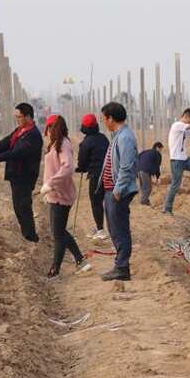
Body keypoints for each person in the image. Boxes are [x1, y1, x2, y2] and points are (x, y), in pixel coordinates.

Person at [41, 115, 92, 277]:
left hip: (61, 196)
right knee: (60, 231)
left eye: (48, 129)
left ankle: (55, 269)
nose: (47, 133)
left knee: (58, 234)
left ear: (52, 128)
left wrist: (51, 183)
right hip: (55, 194)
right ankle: (80, 260)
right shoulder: (57, 144)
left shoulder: (63, 144)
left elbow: (68, 167)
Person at [0, 102, 43, 243]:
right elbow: (5, 143)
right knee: (18, 206)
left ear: (28, 117)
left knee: (23, 205)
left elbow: (18, 152)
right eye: (16, 117)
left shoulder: (33, 135)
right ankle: (27, 235)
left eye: (19, 117)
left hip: (25, 176)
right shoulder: (20, 131)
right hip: (16, 175)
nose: (17, 119)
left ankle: (31, 236)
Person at [99, 102, 139, 281]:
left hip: (118, 191)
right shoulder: (118, 135)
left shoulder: (125, 138)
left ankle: (122, 268)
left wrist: (118, 190)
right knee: (114, 228)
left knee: (119, 229)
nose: (104, 123)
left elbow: (126, 166)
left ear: (111, 118)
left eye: (104, 119)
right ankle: (120, 264)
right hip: (112, 190)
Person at [76, 114, 110, 240]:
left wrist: (81, 168)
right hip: (108, 174)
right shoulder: (103, 138)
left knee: (96, 202)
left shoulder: (86, 142)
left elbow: (82, 162)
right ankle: (101, 226)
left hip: (96, 176)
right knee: (106, 201)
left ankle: (101, 230)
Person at [137, 142, 164, 206]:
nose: (161, 151)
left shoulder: (144, 152)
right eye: (160, 149)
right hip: (145, 171)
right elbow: (157, 166)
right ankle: (143, 202)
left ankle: (145, 202)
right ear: (157, 147)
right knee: (148, 188)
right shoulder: (157, 154)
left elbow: (137, 158)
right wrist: (157, 177)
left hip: (138, 170)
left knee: (143, 188)